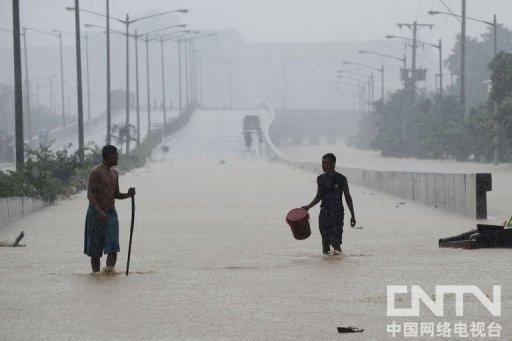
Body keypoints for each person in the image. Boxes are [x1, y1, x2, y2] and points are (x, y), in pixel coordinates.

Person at [84, 145, 135, 273]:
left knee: (113, 248)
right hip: (96, 214)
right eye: (116, 154)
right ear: (109, 156)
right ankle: (96, 275)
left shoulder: (114, 173)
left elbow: (115, 194)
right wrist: (99, 211)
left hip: (111, 214)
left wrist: (128, 195)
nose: (117, 157)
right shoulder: (95, 172)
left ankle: (108, 275)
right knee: (95, 252)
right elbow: (90, 195)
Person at [302, 153, 356, 255]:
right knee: (325, 243)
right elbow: (319, 196)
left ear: (333, 164)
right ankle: (327, 267)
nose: (322, 165)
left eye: (325, 163)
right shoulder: (320, 179)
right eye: (322, 163)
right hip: (324, 214)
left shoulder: (341, 179)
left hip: (337, 214)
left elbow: (347, 197)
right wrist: (308, 207)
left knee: (336, 243)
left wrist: (352, 215)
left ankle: (338, 267)